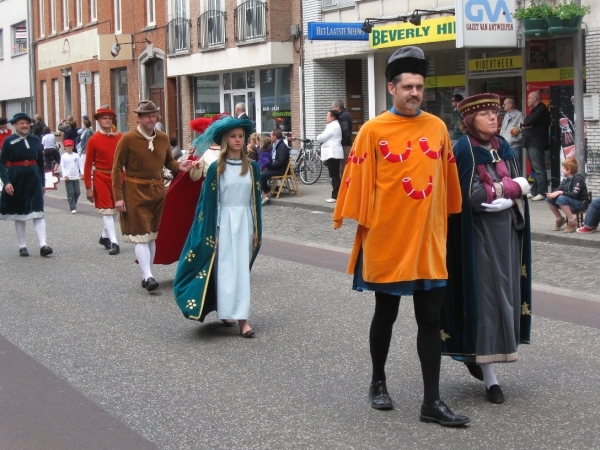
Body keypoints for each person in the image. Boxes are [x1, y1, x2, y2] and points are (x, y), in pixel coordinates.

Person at [332, 46, 469, 427]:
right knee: (386, 313)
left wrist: (449, 223)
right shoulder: (373, 131)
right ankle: (378, 381)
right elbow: (356, 184)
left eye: (419, 87)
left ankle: (432, 401)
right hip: (388, 239)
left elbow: (448, 185)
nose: (414, 93)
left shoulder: (438, 128)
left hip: (428, 241)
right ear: (391, 88)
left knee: (430, 317)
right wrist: (358, 224)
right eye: (407, 86)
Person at [442, 93, 532, 405]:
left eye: (495, 113)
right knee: (485, 300)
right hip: (477, 235)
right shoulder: (463, 148)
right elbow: (472, 196)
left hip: (505, 234)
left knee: (504, 297)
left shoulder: (503, 146)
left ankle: (484, 361)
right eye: (485, 114)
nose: (494, 118)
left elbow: (524, 185)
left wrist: (506, 192)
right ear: (469, 120)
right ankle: (489, 377)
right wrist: (509, 188)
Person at [173, 116, 262, 337]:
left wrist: (256, 230)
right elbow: (210, 203)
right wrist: (213, 231)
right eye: (233, 136)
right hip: (223, 223)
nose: (238, 140)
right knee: (224, 270)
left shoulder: (252, 168)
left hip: (244, 223)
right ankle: (226, 310)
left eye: (241, 136)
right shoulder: (216, 168)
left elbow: (254, 202)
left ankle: (243, 319)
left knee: (241, 270)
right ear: (224, 139)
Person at [112, 100, 193, 292]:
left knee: (152, 235)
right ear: (138, 118)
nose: (151, 119)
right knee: (140, 235)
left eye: (153, 115)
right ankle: (148, 276)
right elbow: (116, 169)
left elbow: (169, 163)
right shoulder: (128, 139)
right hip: (134, 190)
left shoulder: (163, 138)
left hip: (157, 191)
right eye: (147, 116)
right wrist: (118, 196)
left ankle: (147, 273)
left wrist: (181, 166)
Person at [153, 115, 226, 266]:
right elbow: (194, 176)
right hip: (211, 196)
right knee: (212, 228)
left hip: (231, 196)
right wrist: (196, 168)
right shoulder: (204, 152)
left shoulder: (234, 152)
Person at [0, 112, 53, 257]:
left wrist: (43, 182)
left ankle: (43, 244)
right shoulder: (8, 141)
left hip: (34, 178)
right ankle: (22, 245)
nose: (24, 126)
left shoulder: (36, 139)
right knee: (19, 212)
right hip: (16, 178)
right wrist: (6, 182)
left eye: (26, 123)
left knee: (38, 211)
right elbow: (1, 163)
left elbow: (41, 163)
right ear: (15, 125)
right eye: (21, 123)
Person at [84, 107, 123, 256]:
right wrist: (88, 186)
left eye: (109, 118)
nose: (107, 120)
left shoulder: (120, 137)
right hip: (101, 176)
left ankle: (104, 237)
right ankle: (114, 242)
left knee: (115, 210)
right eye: (103, 118)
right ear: (98, 121)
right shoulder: (93, 139)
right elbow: (88, 164)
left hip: (119, 176)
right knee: (107, 210)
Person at [546, 157, 588, 233]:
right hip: (572, 202)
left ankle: (571, 221)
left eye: (563, 168)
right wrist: (552, 194)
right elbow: (559, 189)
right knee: (549, 199)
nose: (562, 170)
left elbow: (574, 195)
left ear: (569, 170)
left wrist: (561, 193)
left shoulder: (578, 179)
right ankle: (560, 219)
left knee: (561, 198)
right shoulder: (566, 180)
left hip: (581, 203)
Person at [522, 91, 550, 201]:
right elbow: (526, 122)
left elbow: (527, 122)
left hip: (536, 143)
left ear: (535, 98)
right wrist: (526, 124)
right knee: (535, 169)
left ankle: (542, 192)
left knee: (539, 169)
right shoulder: (534, 110)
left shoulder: (541, 110)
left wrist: (526, 124)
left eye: (529, 98)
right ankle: (534, 191)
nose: (527, 100)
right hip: (531, 143)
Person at [317, 109, 344, 203]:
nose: (326, 117)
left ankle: (335, 196)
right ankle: (337, 194)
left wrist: (318, 137)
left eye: (327, 115)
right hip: (334, 153)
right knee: (335, 175)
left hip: (332, 153)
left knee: (334, 175)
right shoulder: (334, 125)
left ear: (332, 117)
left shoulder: (332, 126)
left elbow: (321, 137)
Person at [260, 129, 289, 205]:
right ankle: (266, 191)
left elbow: (280, 161)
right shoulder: (276, 145)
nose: (270, 137)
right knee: (259, 173)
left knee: (261, 176)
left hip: (279, 169)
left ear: (275, 137)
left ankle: (266, 192)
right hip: (275, 167)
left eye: (271, 135)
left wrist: (268, 167)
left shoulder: (282, 146)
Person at [499, 97, 525, 176]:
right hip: (505, 146)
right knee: (507, 166)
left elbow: (522, 131)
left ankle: (519, 184)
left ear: (510, 105)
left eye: (504, 104)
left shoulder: (519, 115)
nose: (503, 106)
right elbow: (503, 129)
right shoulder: (507, 115)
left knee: (517, 166)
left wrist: (513, 140)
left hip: (515, 146)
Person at [59, 139, 83, 214]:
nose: (69, 147)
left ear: (73, 146)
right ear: (65, 147)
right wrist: (65, 175)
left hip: (75, 176)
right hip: (68, 177)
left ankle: (73, 203)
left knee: (77, 192)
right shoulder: (64, 156)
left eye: (70, 146)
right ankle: (72, 207)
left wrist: (82, 173)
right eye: (67, 146)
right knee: (71, 192)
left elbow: (81, 165)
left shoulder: (76, 155)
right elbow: (62, 166)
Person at [331, 99, 353, 173]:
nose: (332, 109)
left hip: (345, 145)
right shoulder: (345, 115)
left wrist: (340, 142)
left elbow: (345, 131)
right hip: (345, 144)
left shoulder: (344, 117)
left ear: (338, 107)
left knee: (344, 167)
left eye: (333, 107)